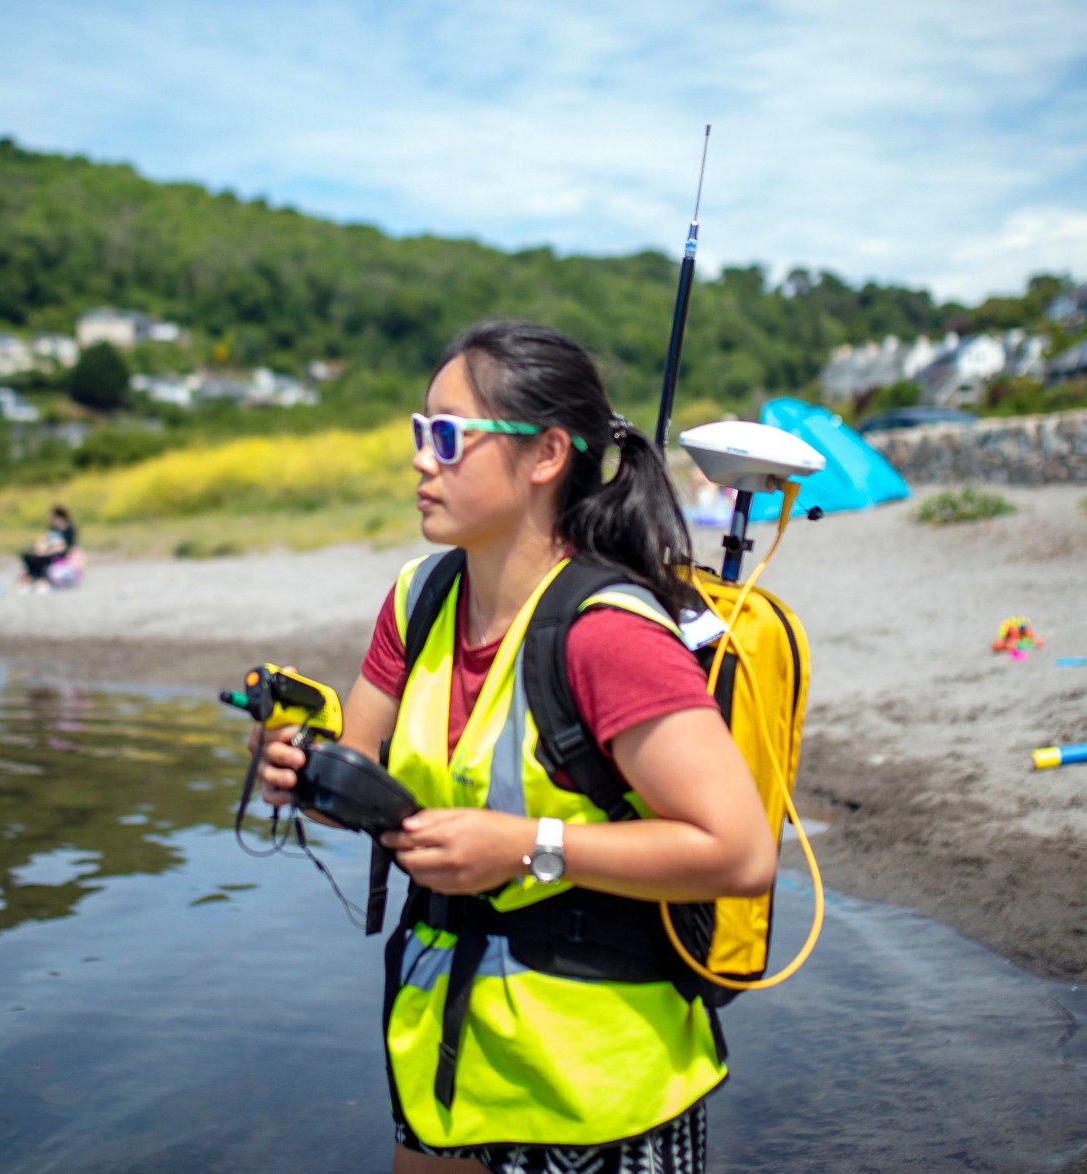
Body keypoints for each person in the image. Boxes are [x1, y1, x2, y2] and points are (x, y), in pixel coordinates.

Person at [258, 320, 775, 1173]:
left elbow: (740, 852)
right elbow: (361, 770)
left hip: (599, 1086)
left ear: (545, 456)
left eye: (451, 437)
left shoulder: (607, 635)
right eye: (421, 433)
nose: (423, 460)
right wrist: (303, 768)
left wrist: (527, 847)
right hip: (443, 1062)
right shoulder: (417, 599)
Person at [20, 506, 78, 592]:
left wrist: (52, 549)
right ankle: (32, 579)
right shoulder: (52, 529)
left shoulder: (70, 530)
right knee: (29, 556)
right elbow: (45, 540)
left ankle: (41, 580)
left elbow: (68, 546)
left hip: (61, 553)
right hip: (49, 551)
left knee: (43, 559)